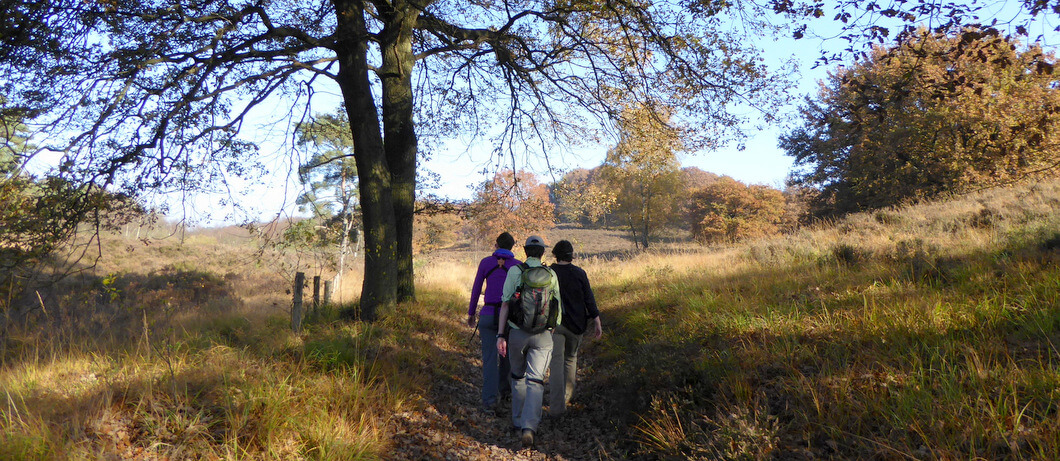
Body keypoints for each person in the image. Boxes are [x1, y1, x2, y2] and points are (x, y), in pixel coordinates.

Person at [496, 235, 561, 448]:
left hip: (517, 333)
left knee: (517, 377)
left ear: (525, 251)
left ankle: (517, 421)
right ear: (542, 252)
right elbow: (557, 307)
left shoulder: (516, 271)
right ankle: (529, 427)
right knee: (536, 381)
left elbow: (505, 304)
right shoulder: (551, 274)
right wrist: (550, 329)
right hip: (543, 335)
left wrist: (500, 335)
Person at [468, 232, 521, 412]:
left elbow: (476, 289)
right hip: (509, 318)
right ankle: (505, 394)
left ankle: (490, 401)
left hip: (488, 314)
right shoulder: (518, 266)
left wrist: (471, 313)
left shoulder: (486, 263)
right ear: (513, 246)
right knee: (506, 356)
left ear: (497, 244)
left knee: (490, 359)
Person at [548, 240, 602, 416]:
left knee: (555, 363)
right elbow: (589, 298)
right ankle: (566, 398)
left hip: (555, 325)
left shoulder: (549, 272)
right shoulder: (580, 273)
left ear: (555, 254)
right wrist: (596, 319)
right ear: (571, 255)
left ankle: (556, 407)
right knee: (570, 360)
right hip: (577, 325)